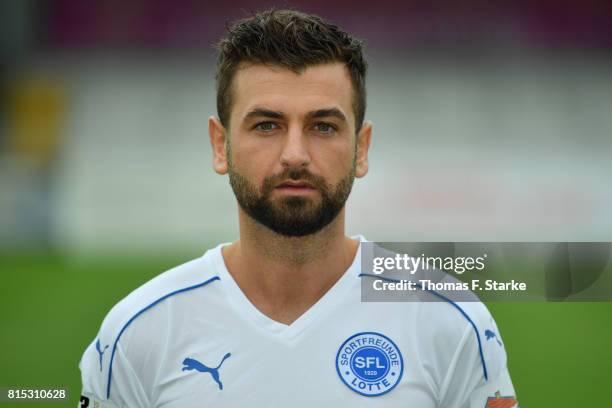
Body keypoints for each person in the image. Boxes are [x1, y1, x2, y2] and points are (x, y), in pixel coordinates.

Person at [78, 9, 517, 408]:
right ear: (220, 145)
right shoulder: (138, 333)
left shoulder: (451, 321)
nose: (294, 155)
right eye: (266, 125)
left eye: (323, 126)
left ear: (361, 150)